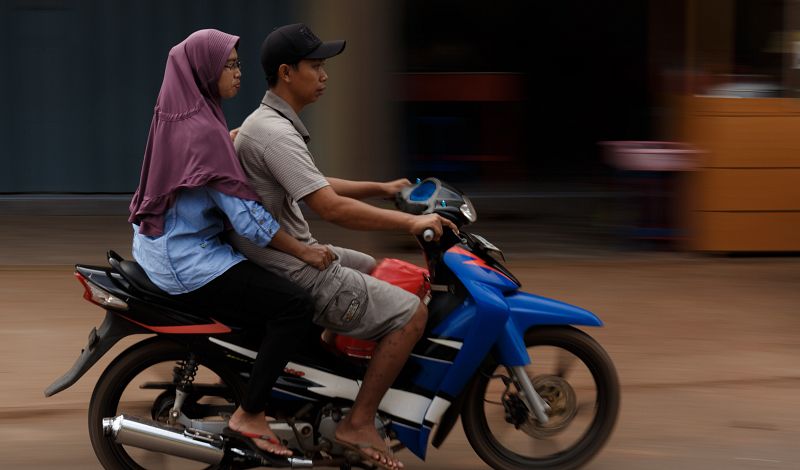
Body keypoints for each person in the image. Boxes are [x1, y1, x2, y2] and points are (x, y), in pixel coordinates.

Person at [229, 23, 457, 470]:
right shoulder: (273, 132)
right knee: (412, 315)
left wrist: (380, 186)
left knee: (372, 265)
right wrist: (414, 223)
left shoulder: (271, 124)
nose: (324, 75)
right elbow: (330, 207)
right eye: (315, 66)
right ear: (286, 72)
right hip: (288, 264)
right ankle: (359, 421)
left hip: (282, 252)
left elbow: (313, 183)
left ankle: (330, 382)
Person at [128, 29, 335, 457]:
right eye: (230, 65)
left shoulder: (182, 112)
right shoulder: (204, 130)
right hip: (187, 259)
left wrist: (228, 142)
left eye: (239, 63)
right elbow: (248, 219)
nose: (239, 73)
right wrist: (303, 251)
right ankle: (251, 414)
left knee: (265, 302)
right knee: (294, 305)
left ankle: (245, 381)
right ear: (205, 70)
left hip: (158, 246)